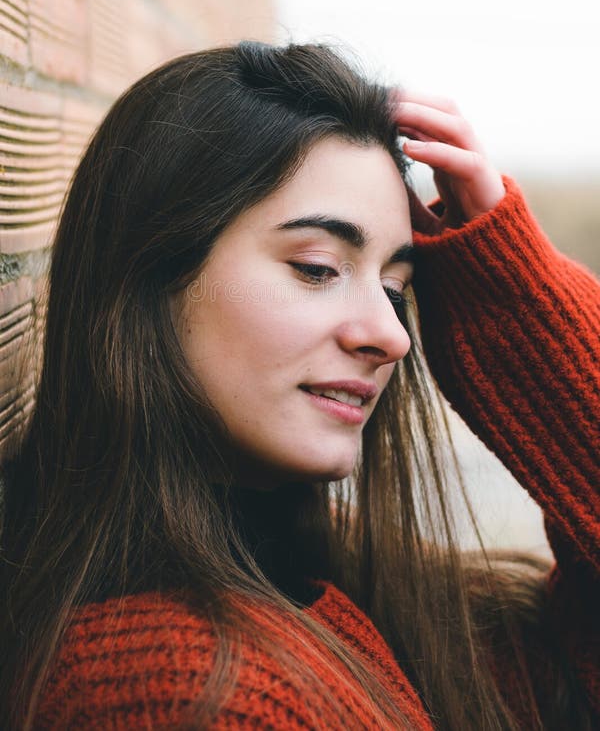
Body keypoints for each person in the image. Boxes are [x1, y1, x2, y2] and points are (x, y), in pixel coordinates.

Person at [0, 42, 597, 730]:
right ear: (151, 280)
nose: (392, 335)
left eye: (395, 287)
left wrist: (522, 303)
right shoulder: (195, 691)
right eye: (316, 268)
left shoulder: (368, 599)